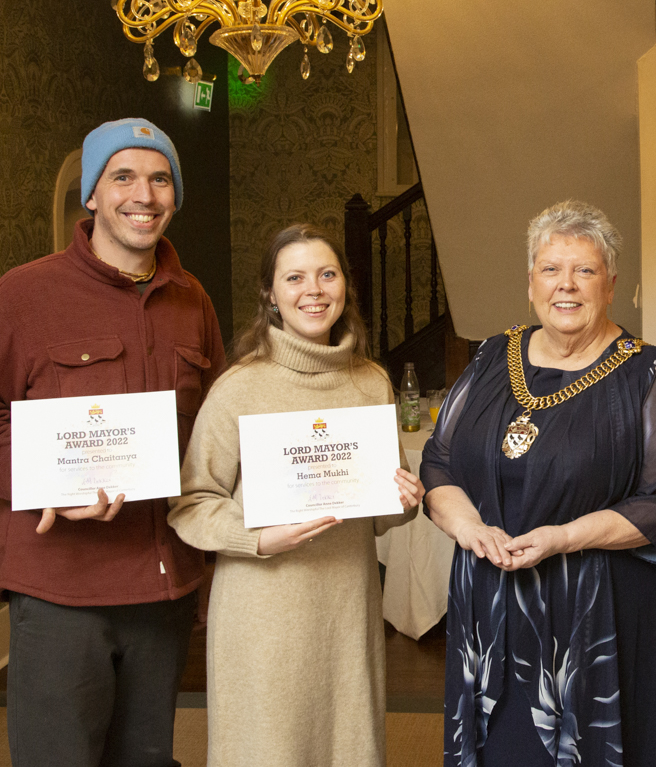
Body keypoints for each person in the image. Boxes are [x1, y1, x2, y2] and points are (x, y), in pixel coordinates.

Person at [422, 199, 656, 767]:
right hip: (489, 603)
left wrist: (562, 537)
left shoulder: (650, 372)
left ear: (610, 285)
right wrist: (470, 528)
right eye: (551, 269)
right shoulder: (490, 357)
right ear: (531, 283)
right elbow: (439, 462)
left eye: (585, 270)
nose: (566, 285)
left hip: (596, 610)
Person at [0, 118, 225, 766]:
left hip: (162, 593)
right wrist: (42, 486)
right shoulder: (23, 294)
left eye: (160, 179)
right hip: (62, 591)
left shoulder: (192, 300)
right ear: (92, 195)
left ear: (175, 195)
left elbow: (206, 435)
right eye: (122, 176)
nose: (143, 195)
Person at [168, 224, 424, 767]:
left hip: (346, 608)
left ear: (344, 287)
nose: (314, 289)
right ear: (271, 295)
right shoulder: (239, 387)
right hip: (263, 611)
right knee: (267, 749)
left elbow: (379, 509)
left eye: (327, 274)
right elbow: (192, 503)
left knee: (347, 747)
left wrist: (404, 501)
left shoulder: (371, 382)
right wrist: (257, 538)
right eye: (295, 277)